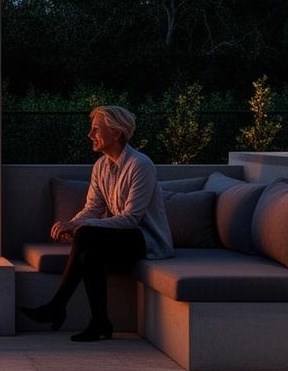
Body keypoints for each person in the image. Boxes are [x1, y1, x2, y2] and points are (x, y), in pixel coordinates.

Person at [19, 105, 173, 341]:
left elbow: (132, 218)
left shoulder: (140, 165)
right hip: (119, 238)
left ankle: (57, 306)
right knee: (89, 255)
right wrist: (70, 223)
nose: (90, 135)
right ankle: (100, 322)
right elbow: (93, 207)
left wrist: (78, 227)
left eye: (96, 130)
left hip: (145, 240)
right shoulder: (101, 167)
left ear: (117, 133)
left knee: (85, 235)